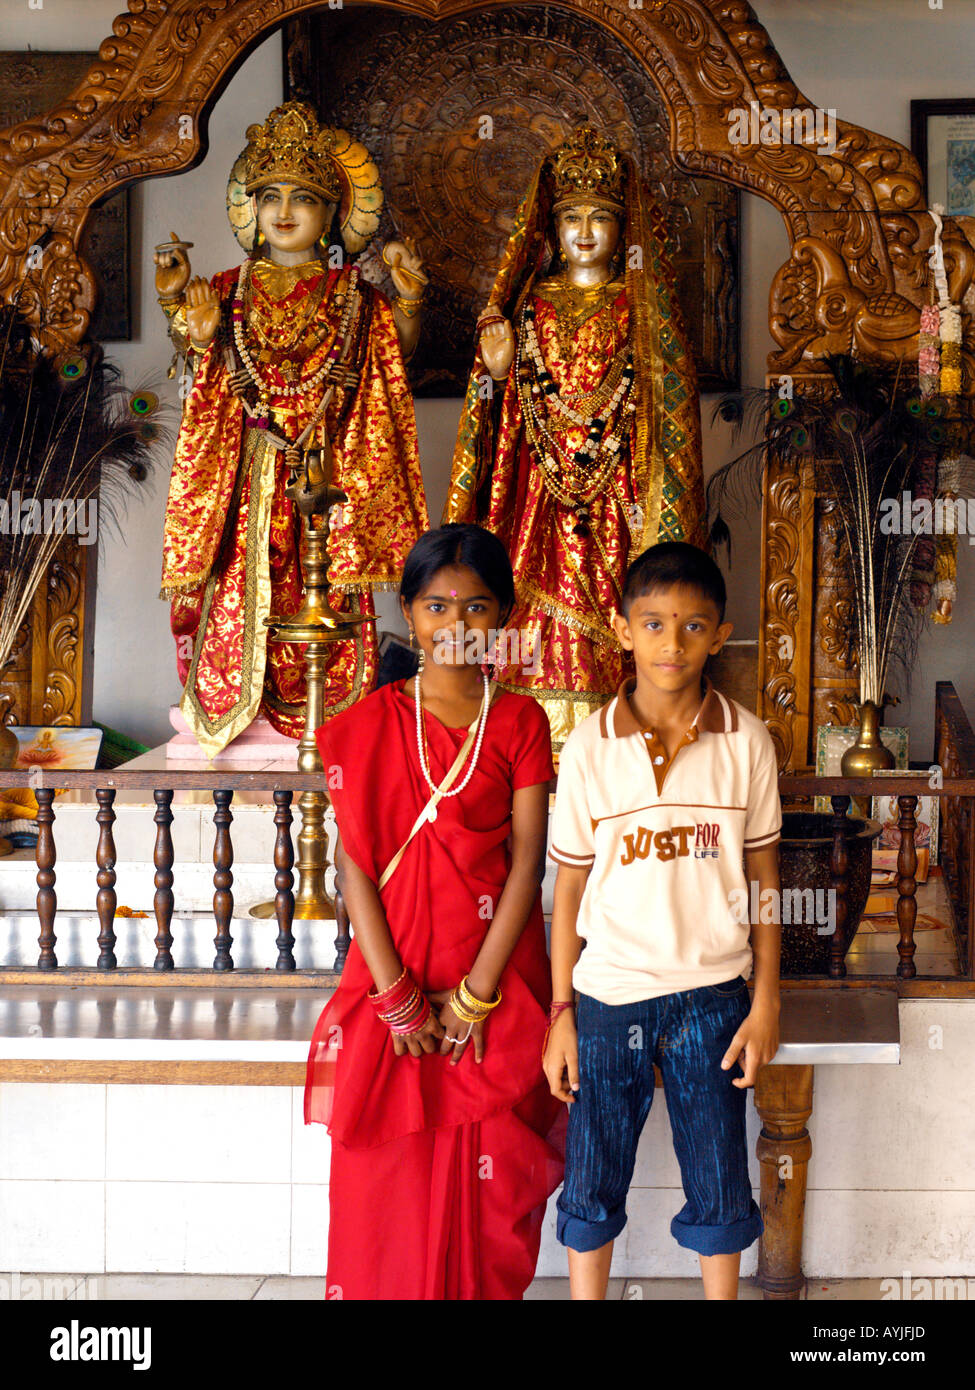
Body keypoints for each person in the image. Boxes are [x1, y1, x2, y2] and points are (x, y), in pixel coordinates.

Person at [304, 523, 564, 1300]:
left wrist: (477, 998)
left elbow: (525, 865)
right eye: (436, 605)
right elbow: (355, 864)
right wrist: (394, 999)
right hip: (394, 986)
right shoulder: (365, 724)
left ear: (505, 617)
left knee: (494, 1187)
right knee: (384, 1182)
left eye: (477, 606)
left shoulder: (520, 722)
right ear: (409, 614)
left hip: (495, 988)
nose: (457, 625)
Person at [542, 541, 782, 1300]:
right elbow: (568, 892)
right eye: (652, 624)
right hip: (609, 993)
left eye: (689, 626)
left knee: (716, 1164)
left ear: (719, 632)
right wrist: (560, 1011)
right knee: (593, 1163)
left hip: (714, 995)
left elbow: (764, 881)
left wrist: (766, 1000)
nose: (670, 644)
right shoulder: (588, 747)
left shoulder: (745, 741)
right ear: (621, 629)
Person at [154, 102, 428, 757]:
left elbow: (390, 357)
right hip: (250, 469)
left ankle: (334, 710)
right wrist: (180, 313)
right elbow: (201, 361)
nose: (284, 211)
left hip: (329, 469)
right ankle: (236, 706)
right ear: (250, 209)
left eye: (303, 199)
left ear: (331, 214)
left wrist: (411, 301)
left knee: (331, 585)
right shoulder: (225, 288)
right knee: (245, 581)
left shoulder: (355, 295)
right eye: (270, 196)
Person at [445, 125, 706, 750]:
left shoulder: (642, 306)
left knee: (623, 595)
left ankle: (620, 726)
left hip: (619, 485)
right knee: (529, 601)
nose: (585, 231)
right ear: (551, 232)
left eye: (600, 218)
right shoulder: (529, 306)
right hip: (537, 486)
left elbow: (667, 402)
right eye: (570, 218)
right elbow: (491, 408)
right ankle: (527, 733)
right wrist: (499, 375)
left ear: (624, 232)